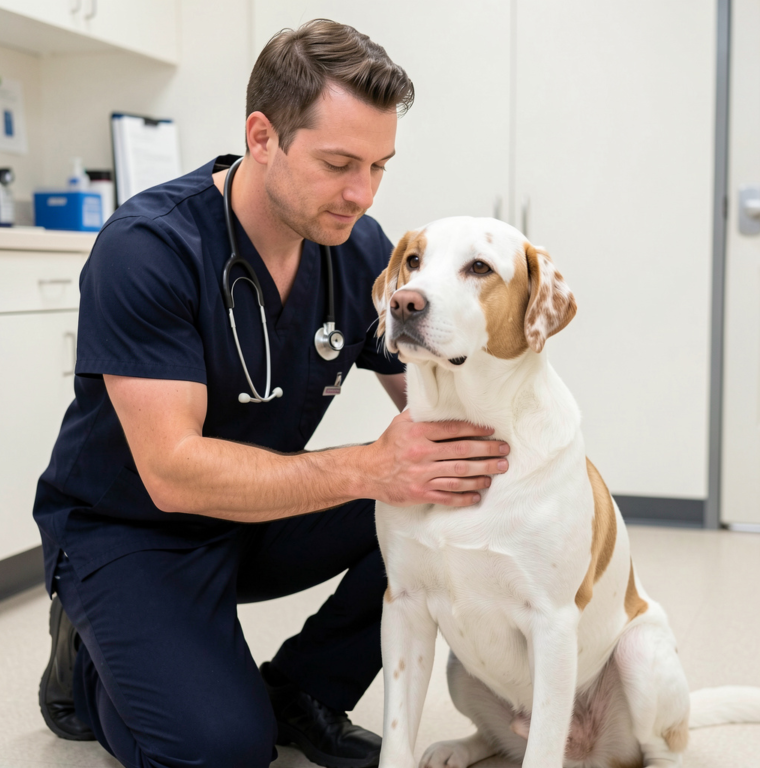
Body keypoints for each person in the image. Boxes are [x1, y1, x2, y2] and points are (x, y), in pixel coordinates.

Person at [34, 19, 510, 768]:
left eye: (379, 165)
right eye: (338, 162)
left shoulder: (354, 250)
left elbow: (434, 399)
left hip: (257, 513)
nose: (361, 192)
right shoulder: (150, 249)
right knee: (222, 751)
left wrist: (542, 466)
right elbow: (172, 471)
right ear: (263, 136)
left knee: (444, 482)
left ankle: (306, 689)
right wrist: (368, 468)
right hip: (131, 530)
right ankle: (88, 662)